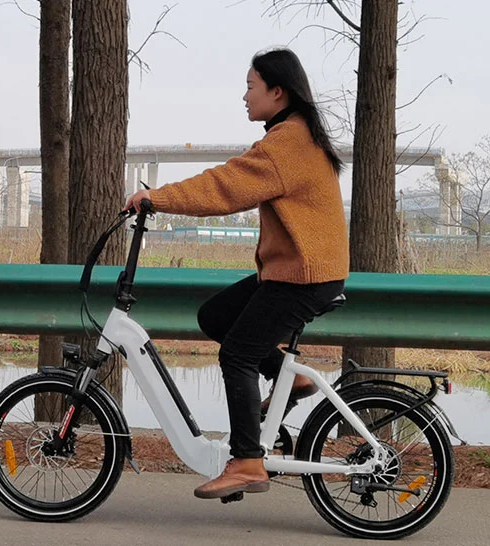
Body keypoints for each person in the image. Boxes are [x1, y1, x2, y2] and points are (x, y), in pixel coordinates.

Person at [124, 47, 349, 500]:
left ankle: (247, 462)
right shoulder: (294, 135)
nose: (244, 96)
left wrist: (157, 198)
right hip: (298, 271)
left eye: (250, 87)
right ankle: (296, 379)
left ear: (277, 91)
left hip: (302, 275)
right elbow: (231, 181)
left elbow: (225, 187)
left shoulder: (287, 142)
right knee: (216, 316)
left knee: (238, 356)